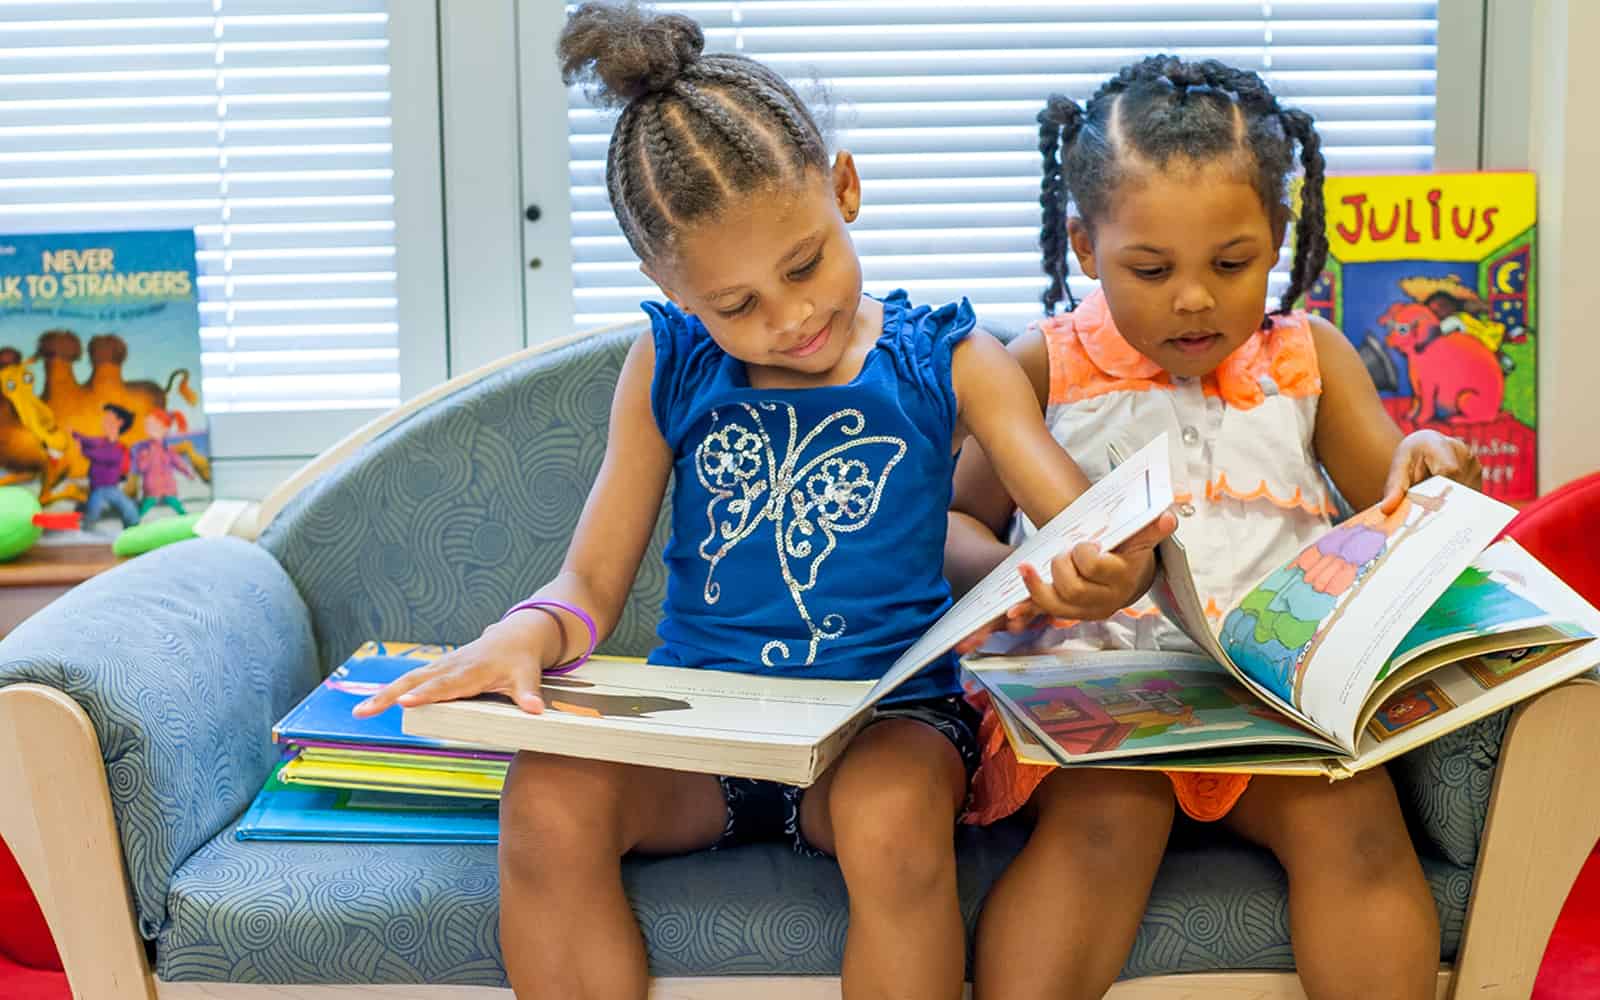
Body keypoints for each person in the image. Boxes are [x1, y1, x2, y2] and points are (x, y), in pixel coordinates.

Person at [353, 6, 1164, 998]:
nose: (791, 318)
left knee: (893, 818)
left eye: (805, 263)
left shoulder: (949, 360)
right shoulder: (668, 360)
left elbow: (1087, 527)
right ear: (669, 286)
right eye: (736, 305)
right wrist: (527, 631)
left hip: (886, 728)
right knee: (546, 801)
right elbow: (590, 579)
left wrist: (1103, 574)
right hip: (702, 733)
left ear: (845, 189)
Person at [945, 56, 1481, 1000]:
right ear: (1083, 244)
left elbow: (1392, 498)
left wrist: (1432, 464)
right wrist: (1026, 569)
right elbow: (953, 523)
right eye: (1149, 269)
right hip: (1101, 693)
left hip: (1267, 694)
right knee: (1107, 822)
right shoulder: (1040, 365)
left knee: (1351, 823)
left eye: (1232, 264)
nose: (1194, 298)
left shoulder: (1310, 357)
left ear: (1278, 234)